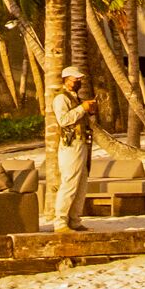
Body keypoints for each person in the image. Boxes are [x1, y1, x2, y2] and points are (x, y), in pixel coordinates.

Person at [49, 65, 97, 230]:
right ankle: (60, 221)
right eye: (76, 80)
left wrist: (88, 110)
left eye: (79, 80)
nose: (78, 82)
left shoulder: (75, 98)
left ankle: (74, 219)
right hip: (70, 145)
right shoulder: (61, 98)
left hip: (81, 143)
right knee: (69, 182)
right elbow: (63, 120)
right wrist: (82, 108)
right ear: (67, 80)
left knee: (81, 184)